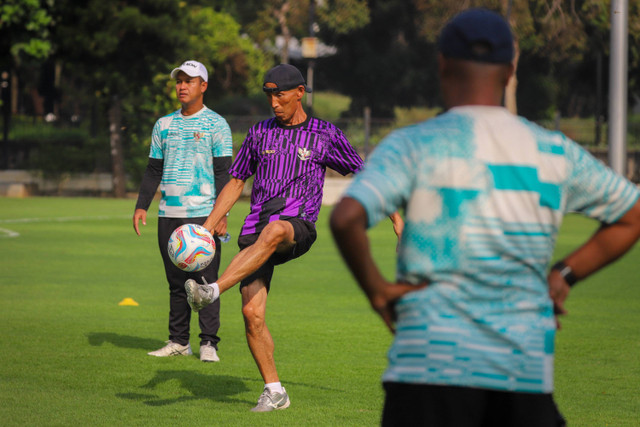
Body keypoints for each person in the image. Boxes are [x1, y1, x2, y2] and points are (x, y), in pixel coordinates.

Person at [330, 8, 640, 426]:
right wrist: (563, 275)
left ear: (441, 63)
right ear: (511, 70)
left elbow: (346, 217)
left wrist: (378, 291)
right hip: (522, 375)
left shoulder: (413, 145)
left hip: (424, 372)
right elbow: (632, 215)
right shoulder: (553, 151)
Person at [183, 63, 385, 412]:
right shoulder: (260, 133)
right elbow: (236, 181)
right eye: (269, 95)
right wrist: (206, 227)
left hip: (297, 225)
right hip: (255, 229)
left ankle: (211, 289)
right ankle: (275, 391)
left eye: (280, 94)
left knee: (276, 229)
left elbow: (365, 173)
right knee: (251, 313)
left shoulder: (324, 134)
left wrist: (396, 217)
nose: (274, 102)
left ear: (299, 93)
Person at [133, 60, 232, 363]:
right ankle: (178, 341)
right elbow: (153, 169)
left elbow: (224, 173)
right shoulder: (163, 125)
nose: (182, 86)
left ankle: (209, 343)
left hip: (204, 215)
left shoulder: (217, 124)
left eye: (189, 81)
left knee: (205, 282)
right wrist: (141, 205)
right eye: (179, 81)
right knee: (176, 283)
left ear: (203, 86)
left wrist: (222, 213)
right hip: (169, 214)